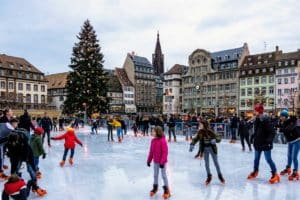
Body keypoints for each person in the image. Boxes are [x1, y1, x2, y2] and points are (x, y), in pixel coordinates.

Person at [6, 127, 47, 196]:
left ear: (17, 139)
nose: (13, 144)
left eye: (14, 142)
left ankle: (35, 185)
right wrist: (13, 172)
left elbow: (28, 152)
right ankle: (15, 183)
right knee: (15, 170)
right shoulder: (9, 142)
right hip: (17, 155)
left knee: (31, 170)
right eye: (12, 143)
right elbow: (12, 158)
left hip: (27, 155)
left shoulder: (24, 141)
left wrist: (27, 160)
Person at [247, 104, 279, 184]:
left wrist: (269, 141)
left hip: (265, 144)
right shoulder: (257, 120)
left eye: (255, 110)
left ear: (259, 111)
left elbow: (272, 132)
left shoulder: (266, 120)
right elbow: (257, 131)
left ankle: (275, 173)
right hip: (258, 143)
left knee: (268, 159)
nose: (254, 112)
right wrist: (253, 137)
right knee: (256, 159)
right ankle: (255, 171)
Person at [189, 120, 225, 185]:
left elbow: (218, 138)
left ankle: (220, 176)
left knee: (216, 162)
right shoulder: (200, 132)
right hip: (205, 149)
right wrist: (192, 144)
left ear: (204, 125)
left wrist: (215, 140)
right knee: (206, 163)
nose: (199, 125)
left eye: (200, 124)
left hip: (212, 148)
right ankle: (209, 176)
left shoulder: (210, 131)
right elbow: (196, 138)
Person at [147, 126, 170, 199]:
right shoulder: (153, 140)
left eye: (153, 131)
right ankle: (155, 187)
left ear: (157, 132)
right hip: (155, 161)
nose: (152, 133)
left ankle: (167, 189)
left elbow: (165, 152)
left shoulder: (163, 140)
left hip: (162, 162)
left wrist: (162, 162)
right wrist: (149, 160)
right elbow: (151, 151)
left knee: (163, 175)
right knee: (155, 175)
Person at [278, 110, 300, 181]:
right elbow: (281, 127)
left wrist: (280, 129)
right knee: (289, 156)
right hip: (290, 141)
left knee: (294, 157)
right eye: (280, 116)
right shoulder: (283, 122)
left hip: (297, 141)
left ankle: (296, 171)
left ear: (286, 116)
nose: (280, 117)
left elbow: (288, 129)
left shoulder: (292, 121)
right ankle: (288, 168)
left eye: (282, 116)